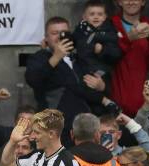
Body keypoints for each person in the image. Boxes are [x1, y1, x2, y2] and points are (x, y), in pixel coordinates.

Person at [25, 17, 103, 147]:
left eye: (64, 33)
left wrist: (101, 86)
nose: (60, 36)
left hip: (83, 129)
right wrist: (56, 57)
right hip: (56, 130)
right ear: (46, 38)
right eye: (54, 33)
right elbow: (33, 80)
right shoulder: (39, 57)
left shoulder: (78, 58)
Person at [111, 0, 149, 118]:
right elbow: (103, 57)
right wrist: (127, 38)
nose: (131, 2)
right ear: (119, 2)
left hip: (144, 103)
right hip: (114, 104)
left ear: (143, 2)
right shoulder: (110, 24)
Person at [72, 0, 123, 114]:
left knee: (96, 94)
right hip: (83, 68)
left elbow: (116, 54)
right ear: (84, 17)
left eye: (100, 14)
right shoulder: (80, 30)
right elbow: (71, 42)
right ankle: (105, 103)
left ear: (105, 17)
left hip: (101, 71)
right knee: (80, 88)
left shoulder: (109, 32)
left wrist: (102, 50)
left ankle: (107, 105)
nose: (96, 17)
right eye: (92, 14)